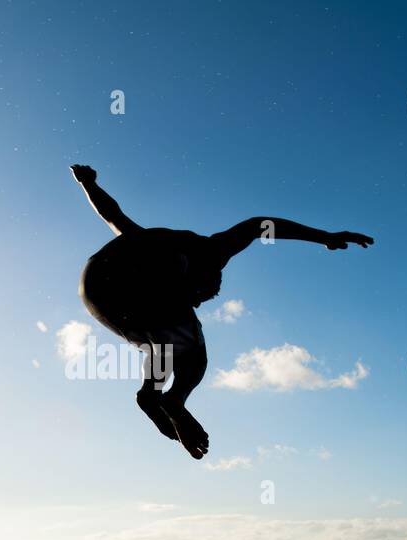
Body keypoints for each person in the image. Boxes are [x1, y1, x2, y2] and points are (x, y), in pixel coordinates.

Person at [70, 164, 373, 459]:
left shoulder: (148, 239)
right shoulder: (213, 252)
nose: (196, 304)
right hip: (126, 279)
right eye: (197, 297)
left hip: (97, 288)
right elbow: (258, 224)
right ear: (206, 275)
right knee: (189, 343)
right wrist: (324, 237)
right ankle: (174, 399)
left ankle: (152, 393)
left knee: (164, 340)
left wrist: (88, 183)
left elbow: (112, 214)